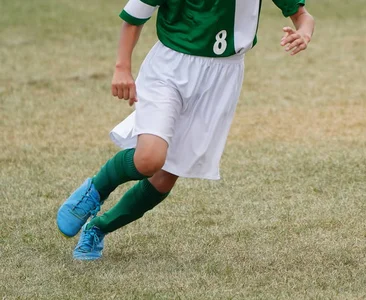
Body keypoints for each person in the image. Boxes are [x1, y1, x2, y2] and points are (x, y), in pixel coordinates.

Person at [57, 0, 315, 260]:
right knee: (149, 159)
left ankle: (98, 228)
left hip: (222, 78)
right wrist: (122, 68)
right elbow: (134, 18)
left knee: (166, 176)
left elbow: (303, 17)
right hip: (170, 67)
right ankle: (94, 191)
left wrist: (303, 33)